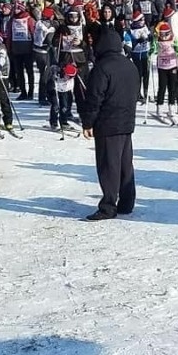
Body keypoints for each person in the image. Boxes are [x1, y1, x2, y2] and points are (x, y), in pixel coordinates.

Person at [79, 28, 140, 221]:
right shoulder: (129, 65)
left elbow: (94, 98)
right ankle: (127, 202)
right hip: (126, 122)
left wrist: (88, 122)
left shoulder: (102, 67)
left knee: (108, 167)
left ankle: (108, 206)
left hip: (107, 124)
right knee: (124, 164)